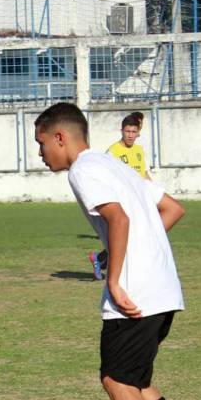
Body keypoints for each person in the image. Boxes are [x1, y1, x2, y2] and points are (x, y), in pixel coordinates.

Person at [33, 103, 201, 400]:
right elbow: (171, 209)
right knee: (135, 381)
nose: (41, 153)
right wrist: (131, 254)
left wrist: (115, 277)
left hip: (136, 293)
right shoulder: (113, 164)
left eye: (42, 143)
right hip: (163, 289)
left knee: (117, 380)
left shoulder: (83, 169)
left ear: (60, 137)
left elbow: (119, 220)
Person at [89, 112, 150, 279]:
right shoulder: (113, 151)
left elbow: (143, 174)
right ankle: (105, 261)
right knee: (129, 236)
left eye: (133, 132)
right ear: (121, 131)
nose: (130, 135)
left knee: (134, 236)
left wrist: (152, 192)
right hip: (122, 201)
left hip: (139, 200)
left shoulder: (138, 150)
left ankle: (100, 259)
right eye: (127, 131)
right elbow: (104, 177)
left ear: (138, 133)